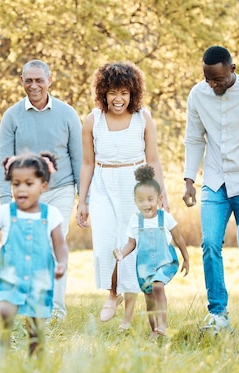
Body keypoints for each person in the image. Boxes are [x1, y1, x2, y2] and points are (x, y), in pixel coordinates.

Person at [182, 46, 239, 336]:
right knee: (210, 244)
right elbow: (195, 139)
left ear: (232, 68)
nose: (212, 85)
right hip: (214, 182)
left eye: (218, 80)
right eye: (208, 78)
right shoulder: (198, 94)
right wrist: (188, 179)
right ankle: (218, 313)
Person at [76, 61, 168, 327]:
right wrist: (83, 201)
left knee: (131, 243)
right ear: (103, 92)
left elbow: (154, 160)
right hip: (103, 185)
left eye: (124, 93)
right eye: (113, 92)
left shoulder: (143, 117)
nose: (118, 99)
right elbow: (87, 163)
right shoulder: (93, 120)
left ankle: (126, 298)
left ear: (133, 93)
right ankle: (111, 293)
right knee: (106, 244)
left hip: (136, 183)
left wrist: (162, 196)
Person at [0, 59, 82, 321]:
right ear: (22, 81)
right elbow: (3, 160)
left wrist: (83, 198)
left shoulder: (67, 114)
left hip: (61, 189)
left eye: (39, 80)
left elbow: (78, 158)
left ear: (49, 81)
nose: (34, 85)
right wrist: (4, 200)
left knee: (55, 244)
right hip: (25, 195)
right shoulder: (12, 116)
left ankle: (56, 308)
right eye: (28, 80)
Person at [0, 152, 69, 356]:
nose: (21, 188)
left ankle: (35, 360)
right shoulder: (6, 213)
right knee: (4, 310)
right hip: (9, 278)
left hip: (39, 282)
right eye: (16, 184)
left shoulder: (51, 215)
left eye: (28, 183)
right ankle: (3, 346)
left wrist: (62, 263)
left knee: (35, 328)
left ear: (43, 185)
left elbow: (60, 245)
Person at [113, 165, 190, 335]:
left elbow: (179, 238)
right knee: (149, 300)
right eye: (141, 200)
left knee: (157, 286)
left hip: (165, 262)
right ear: (135, 201)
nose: (146, 204)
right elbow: (131, 244)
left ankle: (163, 323)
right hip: (144, 267)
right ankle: (154, 331)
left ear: (159, 199)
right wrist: (121, 254)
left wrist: (186, 258)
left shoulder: (165, 218)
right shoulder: (135, 220)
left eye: (150, 199)